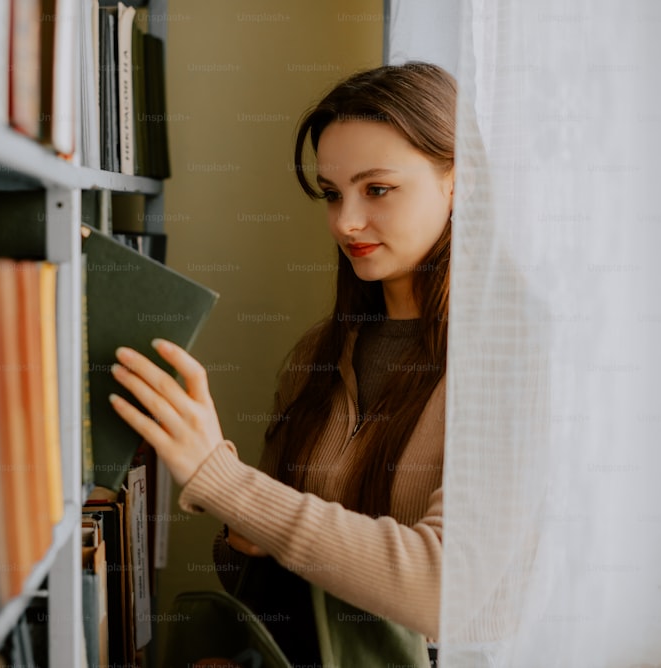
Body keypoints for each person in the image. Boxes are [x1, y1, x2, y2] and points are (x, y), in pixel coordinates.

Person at [109, 61, 455, 667]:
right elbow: (256, 573)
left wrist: (222, 480)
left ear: (458, 181)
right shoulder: (318, 356)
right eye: (331, 193)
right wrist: (244, 532)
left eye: (377, 189)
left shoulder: (503, 367)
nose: (346, 222)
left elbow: (442, 592)